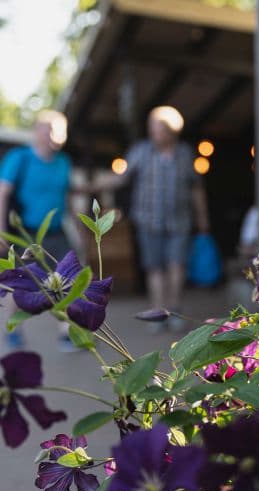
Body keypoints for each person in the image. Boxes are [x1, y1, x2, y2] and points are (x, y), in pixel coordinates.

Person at [94, 106, 210, 332]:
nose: (154, 132)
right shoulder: (141, 150)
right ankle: (158, 313)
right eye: (152, 127)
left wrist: (203, 218)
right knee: (154, 267)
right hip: (148, 220)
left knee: (177, 265)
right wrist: (92, 186)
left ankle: (174, 310)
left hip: (180, 220)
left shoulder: (185, 153)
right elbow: (121, 178)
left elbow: (196, 188)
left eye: (158, 128)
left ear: (173, 130)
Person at [0, 110, 81, 351]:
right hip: (27, 232)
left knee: (68, 278)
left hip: (57, 231)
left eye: (60, 130)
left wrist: (80, 227)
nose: (55, 135)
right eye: (50, 130)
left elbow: (67, 197)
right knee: (23, 282)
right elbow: (3, 194)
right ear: (37, 132)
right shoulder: (20, 158)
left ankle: (67, 333)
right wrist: (1, 230)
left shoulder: (64, 162)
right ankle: (12, 329)